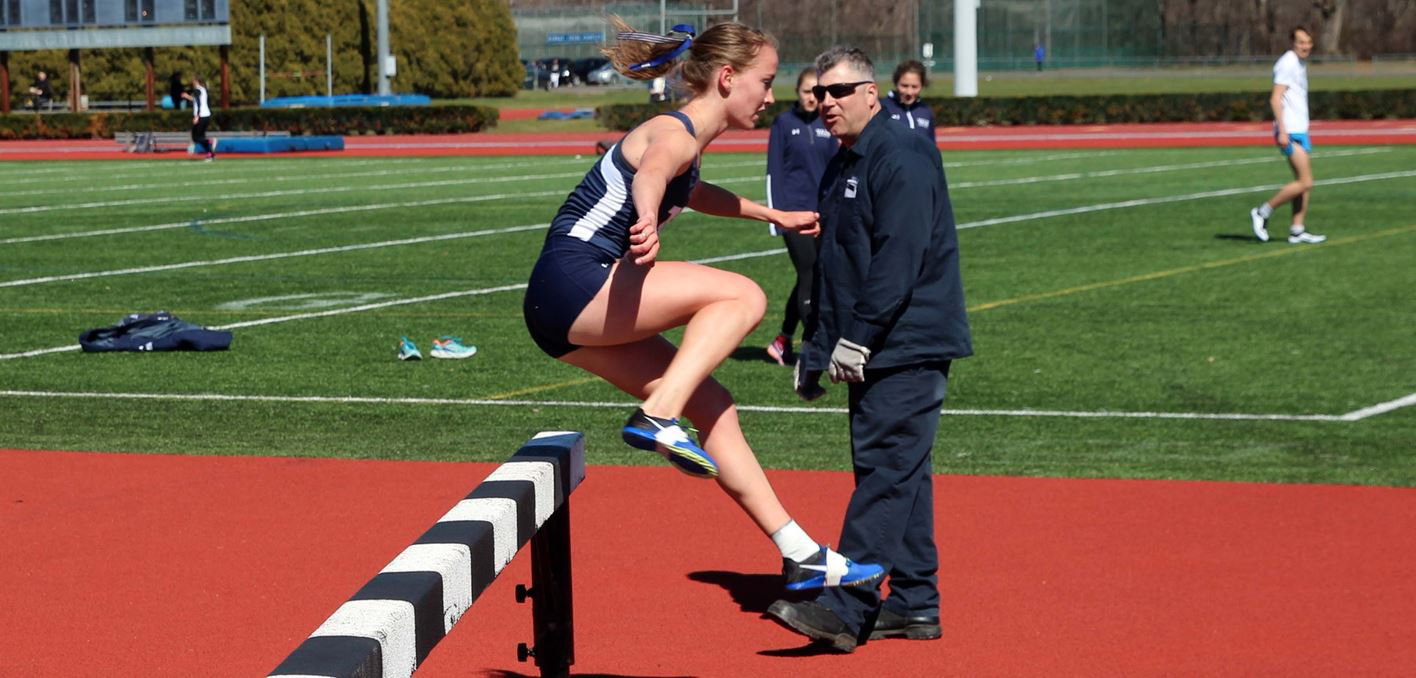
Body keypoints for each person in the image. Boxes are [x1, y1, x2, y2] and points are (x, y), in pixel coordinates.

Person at [521, 18, 884, 592]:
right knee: (744, 295)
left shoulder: (692, 144)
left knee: (713, 402)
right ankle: (658, 416)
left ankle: (801, 553)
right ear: (726, 78)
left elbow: (692, 191)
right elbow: (655, 172)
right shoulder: (677, 133)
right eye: (764, 82)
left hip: (558, 310)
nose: (773, 96)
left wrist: (774, 215)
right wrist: (645, 216)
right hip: (576, 280)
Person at [765, 45, 973, 653]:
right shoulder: (844, 163)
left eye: (839, 92)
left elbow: (899, 258)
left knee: (884, 472)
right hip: (874, 346)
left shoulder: (901, 153)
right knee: (899, 473)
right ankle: (913, 603)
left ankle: (847, 604)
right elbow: (834, 269)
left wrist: (857, 338)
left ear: (870, 92)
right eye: (819, 94)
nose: (825, 103)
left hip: (907, 345)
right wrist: (815, 348)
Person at [763, 67, 837, 367]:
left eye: (817, 92)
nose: (812, 98)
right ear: (796, 91)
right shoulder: (783, 123)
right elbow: (774, 173)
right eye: (807, 91)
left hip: (822, 213)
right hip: (791, 214)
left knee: (815, 275)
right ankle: (816, 345)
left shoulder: (827, 122)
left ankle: (782, 340)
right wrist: (776, 219)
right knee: (810, 274)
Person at [1248, 27, 1326, 245]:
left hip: (1300, 129)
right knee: (1305, 182)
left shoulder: (1299, 63)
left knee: (1303, 182)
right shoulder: (1287, 63)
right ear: (1292, 43)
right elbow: (1275, 98)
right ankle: (1262, 212)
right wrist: (1282, 130)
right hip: (1289, 131)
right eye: (1301, 42)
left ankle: (1297, 229)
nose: (1305, 46)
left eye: (1308, 42)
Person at [879, 59, 935, 143]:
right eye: (904, 86)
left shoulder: (926, 111)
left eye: (915, 87)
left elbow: (931, 148)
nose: (909, 92)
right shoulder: (882, 108)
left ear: (922, 85)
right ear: (896, 83)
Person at [183, 74, 215, 161]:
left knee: (196, 137)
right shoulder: (203, 89)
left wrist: (197, 116)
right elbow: (198, 100)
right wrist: (188, 97)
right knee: (200, 137)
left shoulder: (197, 90)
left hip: (201, 116)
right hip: (206, 115)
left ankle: (209, 143)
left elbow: (198, 103)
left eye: (193, 81)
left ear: (196, 81)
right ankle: (210, 154)